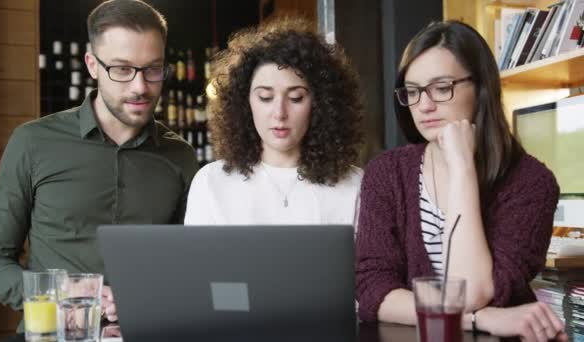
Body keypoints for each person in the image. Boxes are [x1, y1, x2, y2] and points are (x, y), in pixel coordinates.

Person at [0, 0, 198, 328]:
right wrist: (61, 295)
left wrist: (153, 300)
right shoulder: (33, 143)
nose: (140, 86)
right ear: (92, 65)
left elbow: (189, 267)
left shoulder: (181, 156)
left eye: (153, 69)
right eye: (122, 69)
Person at [355, 21, 567, 341]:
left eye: (442, 88)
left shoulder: (532, 183)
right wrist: (481, 319)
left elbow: (473, 293)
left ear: (481, 88)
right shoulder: (386, 173)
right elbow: (374, 293)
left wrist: (462, 169)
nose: (424, 105)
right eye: (413, 92)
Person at [184, 18, 364, 225]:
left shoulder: (353, 186)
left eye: (296, 98)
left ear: (321, 103)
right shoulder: (211, 183)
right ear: (244, 103)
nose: (280, 113)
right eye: (265, 98)